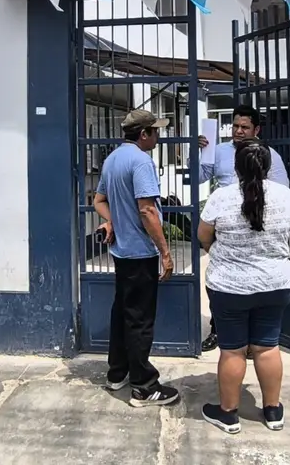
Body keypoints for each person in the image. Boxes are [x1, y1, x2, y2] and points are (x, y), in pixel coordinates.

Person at [196, 139, 290, 434]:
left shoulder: (222, 197)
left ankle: (228, 414)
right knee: (267, 347)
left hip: (229, 286)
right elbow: (289, 230)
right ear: (267, 167)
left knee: (232, 351)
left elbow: (204, 235)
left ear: (236, 167)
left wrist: (217, 247)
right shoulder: (285, 195)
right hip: (276, 284)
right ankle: (273, 411)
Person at [93, 109, 180, 407]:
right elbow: (146, 210)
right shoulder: (141, 162)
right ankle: (144, 386)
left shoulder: (112, 159)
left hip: (121, 253)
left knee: (123, 313)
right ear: (144, 134)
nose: (158, 135)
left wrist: (112, 220)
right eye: (155, 130)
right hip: (140, 252)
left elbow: (99, 200)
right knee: (140, 319)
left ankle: (117, 373)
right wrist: (165, 253)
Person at [195, 104, 289, 352]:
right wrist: (200, 152)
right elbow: (198, 178)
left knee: (253, 284)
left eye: (244, 127)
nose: (238, 131)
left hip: (257, 226)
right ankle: (221, 331)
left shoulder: (270, 155)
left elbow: (281, 191)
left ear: (256, 129)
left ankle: (252, 341)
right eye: (235, 126)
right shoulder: (219, 151)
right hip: (225, 225)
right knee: (225, 280)